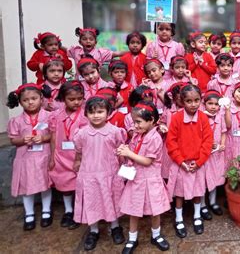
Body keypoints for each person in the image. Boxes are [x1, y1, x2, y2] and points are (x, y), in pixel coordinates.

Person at [73, 96, 126, 251]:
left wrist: (123, 168)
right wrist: (76, 161)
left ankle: (115, 227)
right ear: (86, 114)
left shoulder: (115, 131)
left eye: (100, 111)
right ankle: (93, 230)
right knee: (91, 201)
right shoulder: (81, 134)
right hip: (89, 174)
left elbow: (121, 150)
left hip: (110, 173)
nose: (96, 115)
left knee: (111, 199)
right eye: (92, 112)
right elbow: (78, 151)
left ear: (108, 113)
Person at [118, 102, 171, 253]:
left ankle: (156, 235)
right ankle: (132, 238)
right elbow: (134, 153)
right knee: (134, 210)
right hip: (136, 179)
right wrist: (125, 152)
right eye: (134, 122)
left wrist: (129, 154)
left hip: (151, 180)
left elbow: (147, 161)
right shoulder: (136, 134)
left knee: (155, 210)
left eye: (139, 122)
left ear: (152, 120)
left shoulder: (155, 138)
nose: (135, 125)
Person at [166, 84, 213, 238]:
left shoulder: (204, 118)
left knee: (198, 191)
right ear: (182, 101)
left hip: (197, 163)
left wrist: (199, 161)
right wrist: (181, 161)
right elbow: (171, 142)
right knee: (179, 193)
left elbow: (208, 141)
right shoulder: (177, 118)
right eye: (189, 101)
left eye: (196, 100)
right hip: (182, 164)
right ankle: (179, 219)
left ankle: (197, 216)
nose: (193, 104)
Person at [7, 83, 53, 231]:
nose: (30, 102)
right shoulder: (16, 121)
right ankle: (29, 213)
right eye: (26, 100)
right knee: (27, 187)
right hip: (25, 159)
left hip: (44, 156)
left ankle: (46, 211)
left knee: (45, 184)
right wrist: (22, 140)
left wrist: (45, 138)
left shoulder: (49, 117)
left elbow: (54, 134)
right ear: (20, 102)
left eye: (34, 98)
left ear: (41, 98)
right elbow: (13, 139)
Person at [48, 81, 88, 229]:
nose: (76, 102)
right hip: (61, 156)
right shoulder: (55, 116)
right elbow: (53, 137)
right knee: (64, 184)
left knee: (79, 184)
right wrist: (52, 157)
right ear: (63, 98)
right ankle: (68, 211)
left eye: (79, 98)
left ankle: (79, 211)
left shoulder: (85, 115)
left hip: (79, 156)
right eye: (72, 99)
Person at [200, 90, 227, 219]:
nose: (213, 107)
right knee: (204, 179)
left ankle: (213, 201)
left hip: (217, 154)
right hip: (205, 153)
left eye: (216, 104)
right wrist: (206, 144)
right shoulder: (200, 117)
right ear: (204, 104)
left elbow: (223, 132)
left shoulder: (220, 116)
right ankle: (202, 204)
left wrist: (222, 143)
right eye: (210, 103)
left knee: (215, 177)